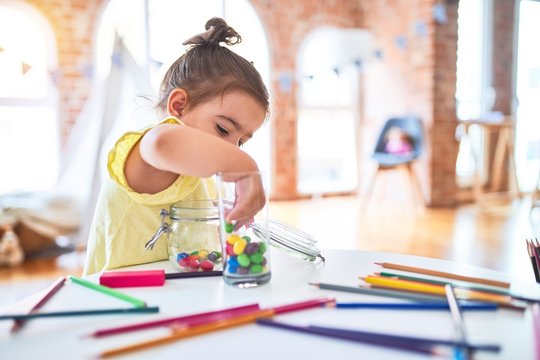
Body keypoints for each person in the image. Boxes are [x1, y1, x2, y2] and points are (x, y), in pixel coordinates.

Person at [83, 18, 269, 275]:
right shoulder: (146, 151)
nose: (232, 150)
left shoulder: (202, 178)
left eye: (241, 143)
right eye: (223, 129)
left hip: (177, 304)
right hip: (119, 304)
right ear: (179, 106)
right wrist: (247, 166)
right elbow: (163, 143)